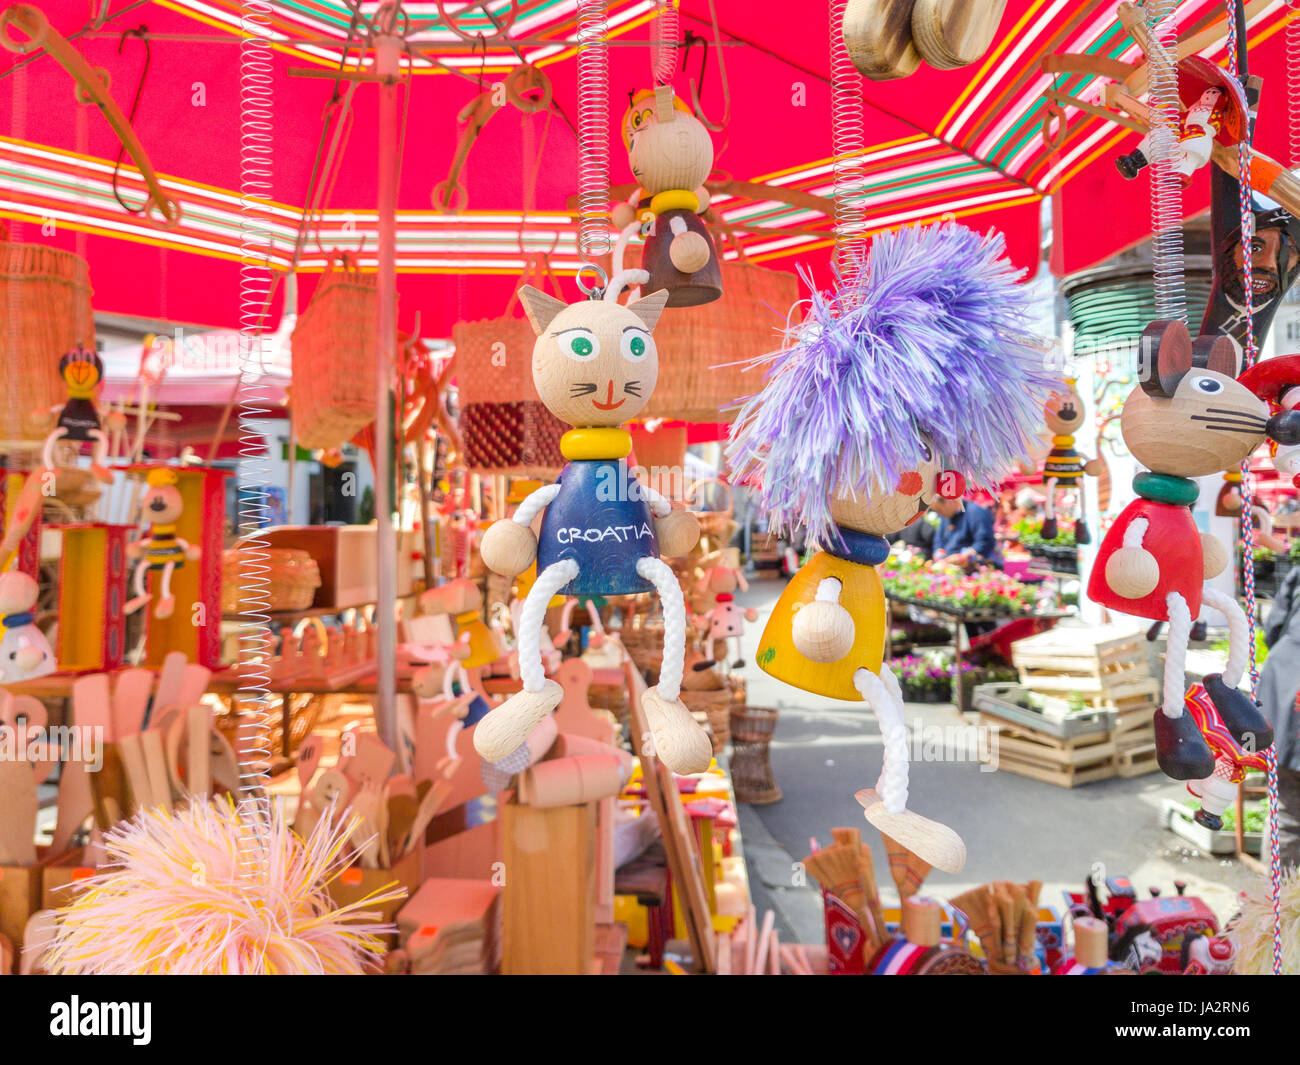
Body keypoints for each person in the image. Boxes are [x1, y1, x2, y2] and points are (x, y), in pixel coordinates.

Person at [1260, 562, 1300, 868]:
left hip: (1282, 689)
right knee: (1288, 813)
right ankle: (1281, 908)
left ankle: (1276, 906)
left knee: (1286, 812)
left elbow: (1272, 630)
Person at [931, 494, 1001, 564]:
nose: (938, 513)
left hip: (972, 567)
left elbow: (985, 541)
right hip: (948, 565)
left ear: (950, 501)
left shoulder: (975, 511)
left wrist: (963, 556)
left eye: (939, 509)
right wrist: (938, 552)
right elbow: (939, 539)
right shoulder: (946, 516)